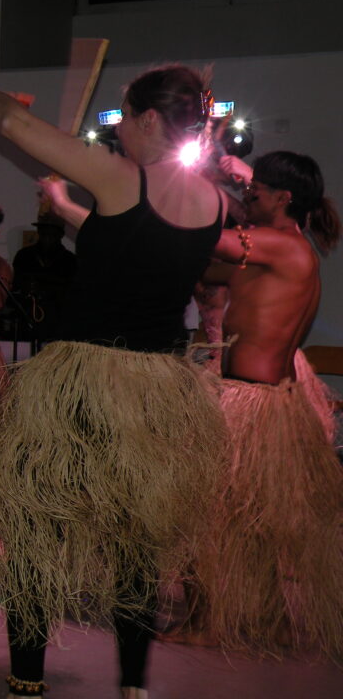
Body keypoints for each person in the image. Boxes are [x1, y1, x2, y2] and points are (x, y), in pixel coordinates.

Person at [0, 65, 226, 699]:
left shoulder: (122, 175)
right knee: (137, 540)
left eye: (124, 116)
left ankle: (27, 681)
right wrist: (65, 208)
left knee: (34, 528)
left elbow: (16, 123)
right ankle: (133, 686)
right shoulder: (213, 201)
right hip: (156, 390)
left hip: (83, 384)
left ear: (149, 120)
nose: (118, 129)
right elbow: (136, 241)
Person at [180, 151, 343, 658]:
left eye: (256, 192)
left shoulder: (285, 246)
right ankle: (273, 622)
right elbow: (211, 265)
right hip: (260, 402)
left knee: (202, 510)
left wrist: (169, 186)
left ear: (283, 198)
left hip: (250, 401)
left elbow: (212, 240)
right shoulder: (271, 252)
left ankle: (204, 622)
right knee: (253, 519)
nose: (247, 198)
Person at [10, 209, 76, 344]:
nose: (47, 238)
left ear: (60, 235)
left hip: (58, 324)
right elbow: (16, 288)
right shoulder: (24, 256)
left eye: (52, 234)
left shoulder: (70, 261)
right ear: (39, 232)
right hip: (28, 322)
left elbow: (72, 295)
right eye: (44, 233)